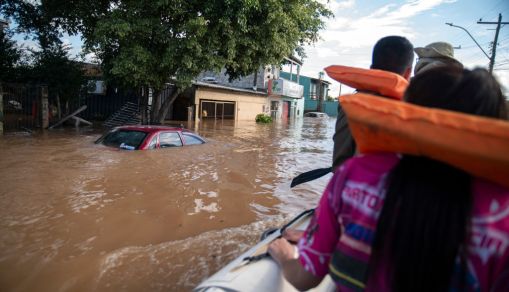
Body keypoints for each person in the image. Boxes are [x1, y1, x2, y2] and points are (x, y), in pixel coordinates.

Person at [269, 67, 509, 291]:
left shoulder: (355, 176)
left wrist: (284, 256)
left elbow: (304, 278)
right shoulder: (502, 216)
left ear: (406, 113)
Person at [332, 36, 414, 171]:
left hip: (345, 185)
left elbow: (339, 162)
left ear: (371, 69)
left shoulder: (349, 104)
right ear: (408, 72)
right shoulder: (408, 111)